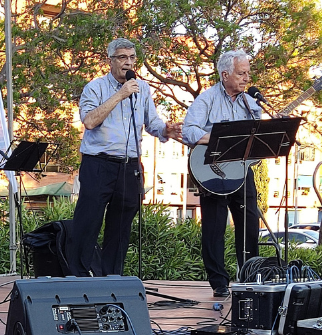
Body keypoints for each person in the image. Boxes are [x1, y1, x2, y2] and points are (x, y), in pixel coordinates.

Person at [66, 38, 182, 277]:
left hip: (130, 166)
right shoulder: (95, 88)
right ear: (110, 60)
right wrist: (120, 95)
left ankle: (111, 279)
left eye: (131, 58)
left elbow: (153, 123)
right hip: (98, 163)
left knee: (120, 229)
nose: (128, 63)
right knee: (88, 223)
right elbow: (89, 121)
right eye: (122, 58)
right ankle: (76, 278)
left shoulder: (143, 89)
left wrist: (166, 130)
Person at [182, 49, 261, 298]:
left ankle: (249, 276)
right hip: (212, 171)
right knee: (214, 228)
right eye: (241, 73)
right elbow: (188, 131)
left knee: (249, 223)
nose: (246, 78)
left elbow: (256, 137)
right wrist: (218, 140)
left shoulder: (250, 102)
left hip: (241, 170)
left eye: (248, 73)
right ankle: (219, 282)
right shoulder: (206, 99)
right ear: (225, 74)